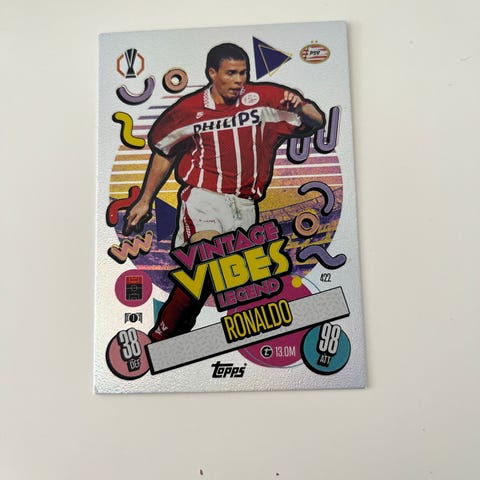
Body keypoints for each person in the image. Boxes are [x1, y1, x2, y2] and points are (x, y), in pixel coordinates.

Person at [124, 43, 325, 342]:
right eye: (231, 73)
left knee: (234, 277)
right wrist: (145, 200)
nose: (238, 80)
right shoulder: (188, 110)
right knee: (206, 260)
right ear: (212, 73)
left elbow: (316, 121)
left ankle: (204, 333)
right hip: (204, 198)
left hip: (245, 205)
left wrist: (301, 107)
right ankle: (162, 336)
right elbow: (165, 151)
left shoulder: (265, 99)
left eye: (243, 73)